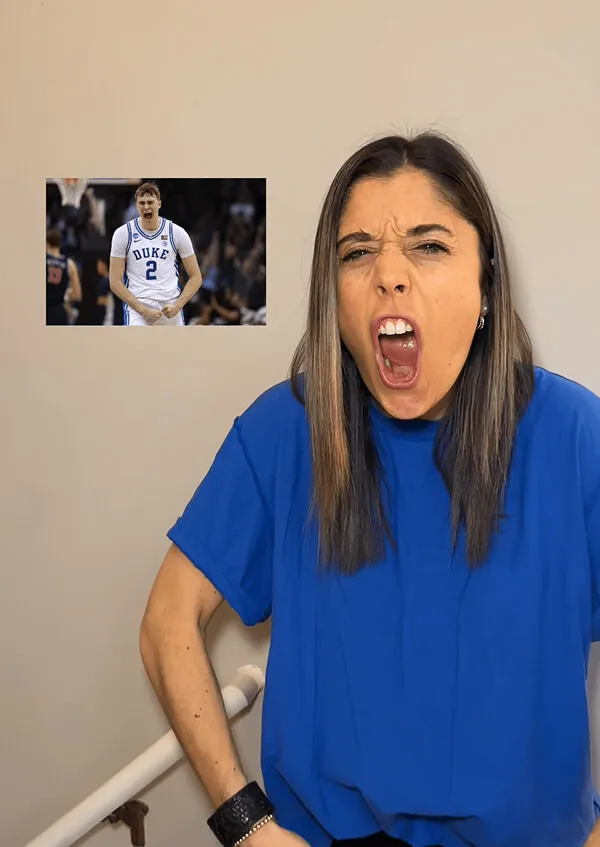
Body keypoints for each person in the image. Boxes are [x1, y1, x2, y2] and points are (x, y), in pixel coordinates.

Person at [139, 132, 600, 847]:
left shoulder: (575, 435)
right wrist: (248, 826)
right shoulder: (283, 432)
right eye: (357, 252)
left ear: (486, 285)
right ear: (338, 300)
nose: (389, 273)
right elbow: (167, 622)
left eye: (429, 245)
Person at [109, 182, 203, 326]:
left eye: (150, 202)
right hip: (139, 307)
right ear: (136, 206)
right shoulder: (123, 233)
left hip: (170, 307)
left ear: (159, 204)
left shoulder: (176, 232)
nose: (146, 207)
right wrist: (142, 310)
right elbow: (115, 282)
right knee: (139, 347)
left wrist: (178, 306)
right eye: (142, 203)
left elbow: (196, 277)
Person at [46, 228, 82, 325]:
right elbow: (77, 294)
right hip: (59, 311)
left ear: (46, 243)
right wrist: (65, 295)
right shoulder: (69, 264)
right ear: (60, 244)